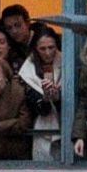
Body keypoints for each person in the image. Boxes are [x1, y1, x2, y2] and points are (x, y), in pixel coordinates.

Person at [18, 28, 62, 161]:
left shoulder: (67, 63)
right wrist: (46, 99)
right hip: (42, 128)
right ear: (36, 49)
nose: (48, 53)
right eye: (43, 49)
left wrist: (58, 97)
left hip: (67, 128)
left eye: (51, 47)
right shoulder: (27, 71)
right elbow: (33, 107)